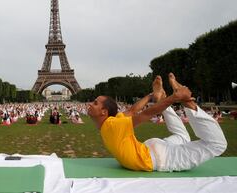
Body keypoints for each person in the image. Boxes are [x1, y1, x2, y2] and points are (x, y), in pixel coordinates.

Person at [87, 73, 227, 172]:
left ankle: (186, 102)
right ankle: (170, 99)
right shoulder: (112, 122)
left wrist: (173, 98)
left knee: (216, 144)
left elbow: (144, 113)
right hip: (153, 151)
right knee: (188, 138)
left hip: (157, 156)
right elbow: (133, 110)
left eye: (95, 103)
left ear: (104, 112)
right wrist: (152, 96)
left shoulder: (111, 125)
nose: (90, 104)